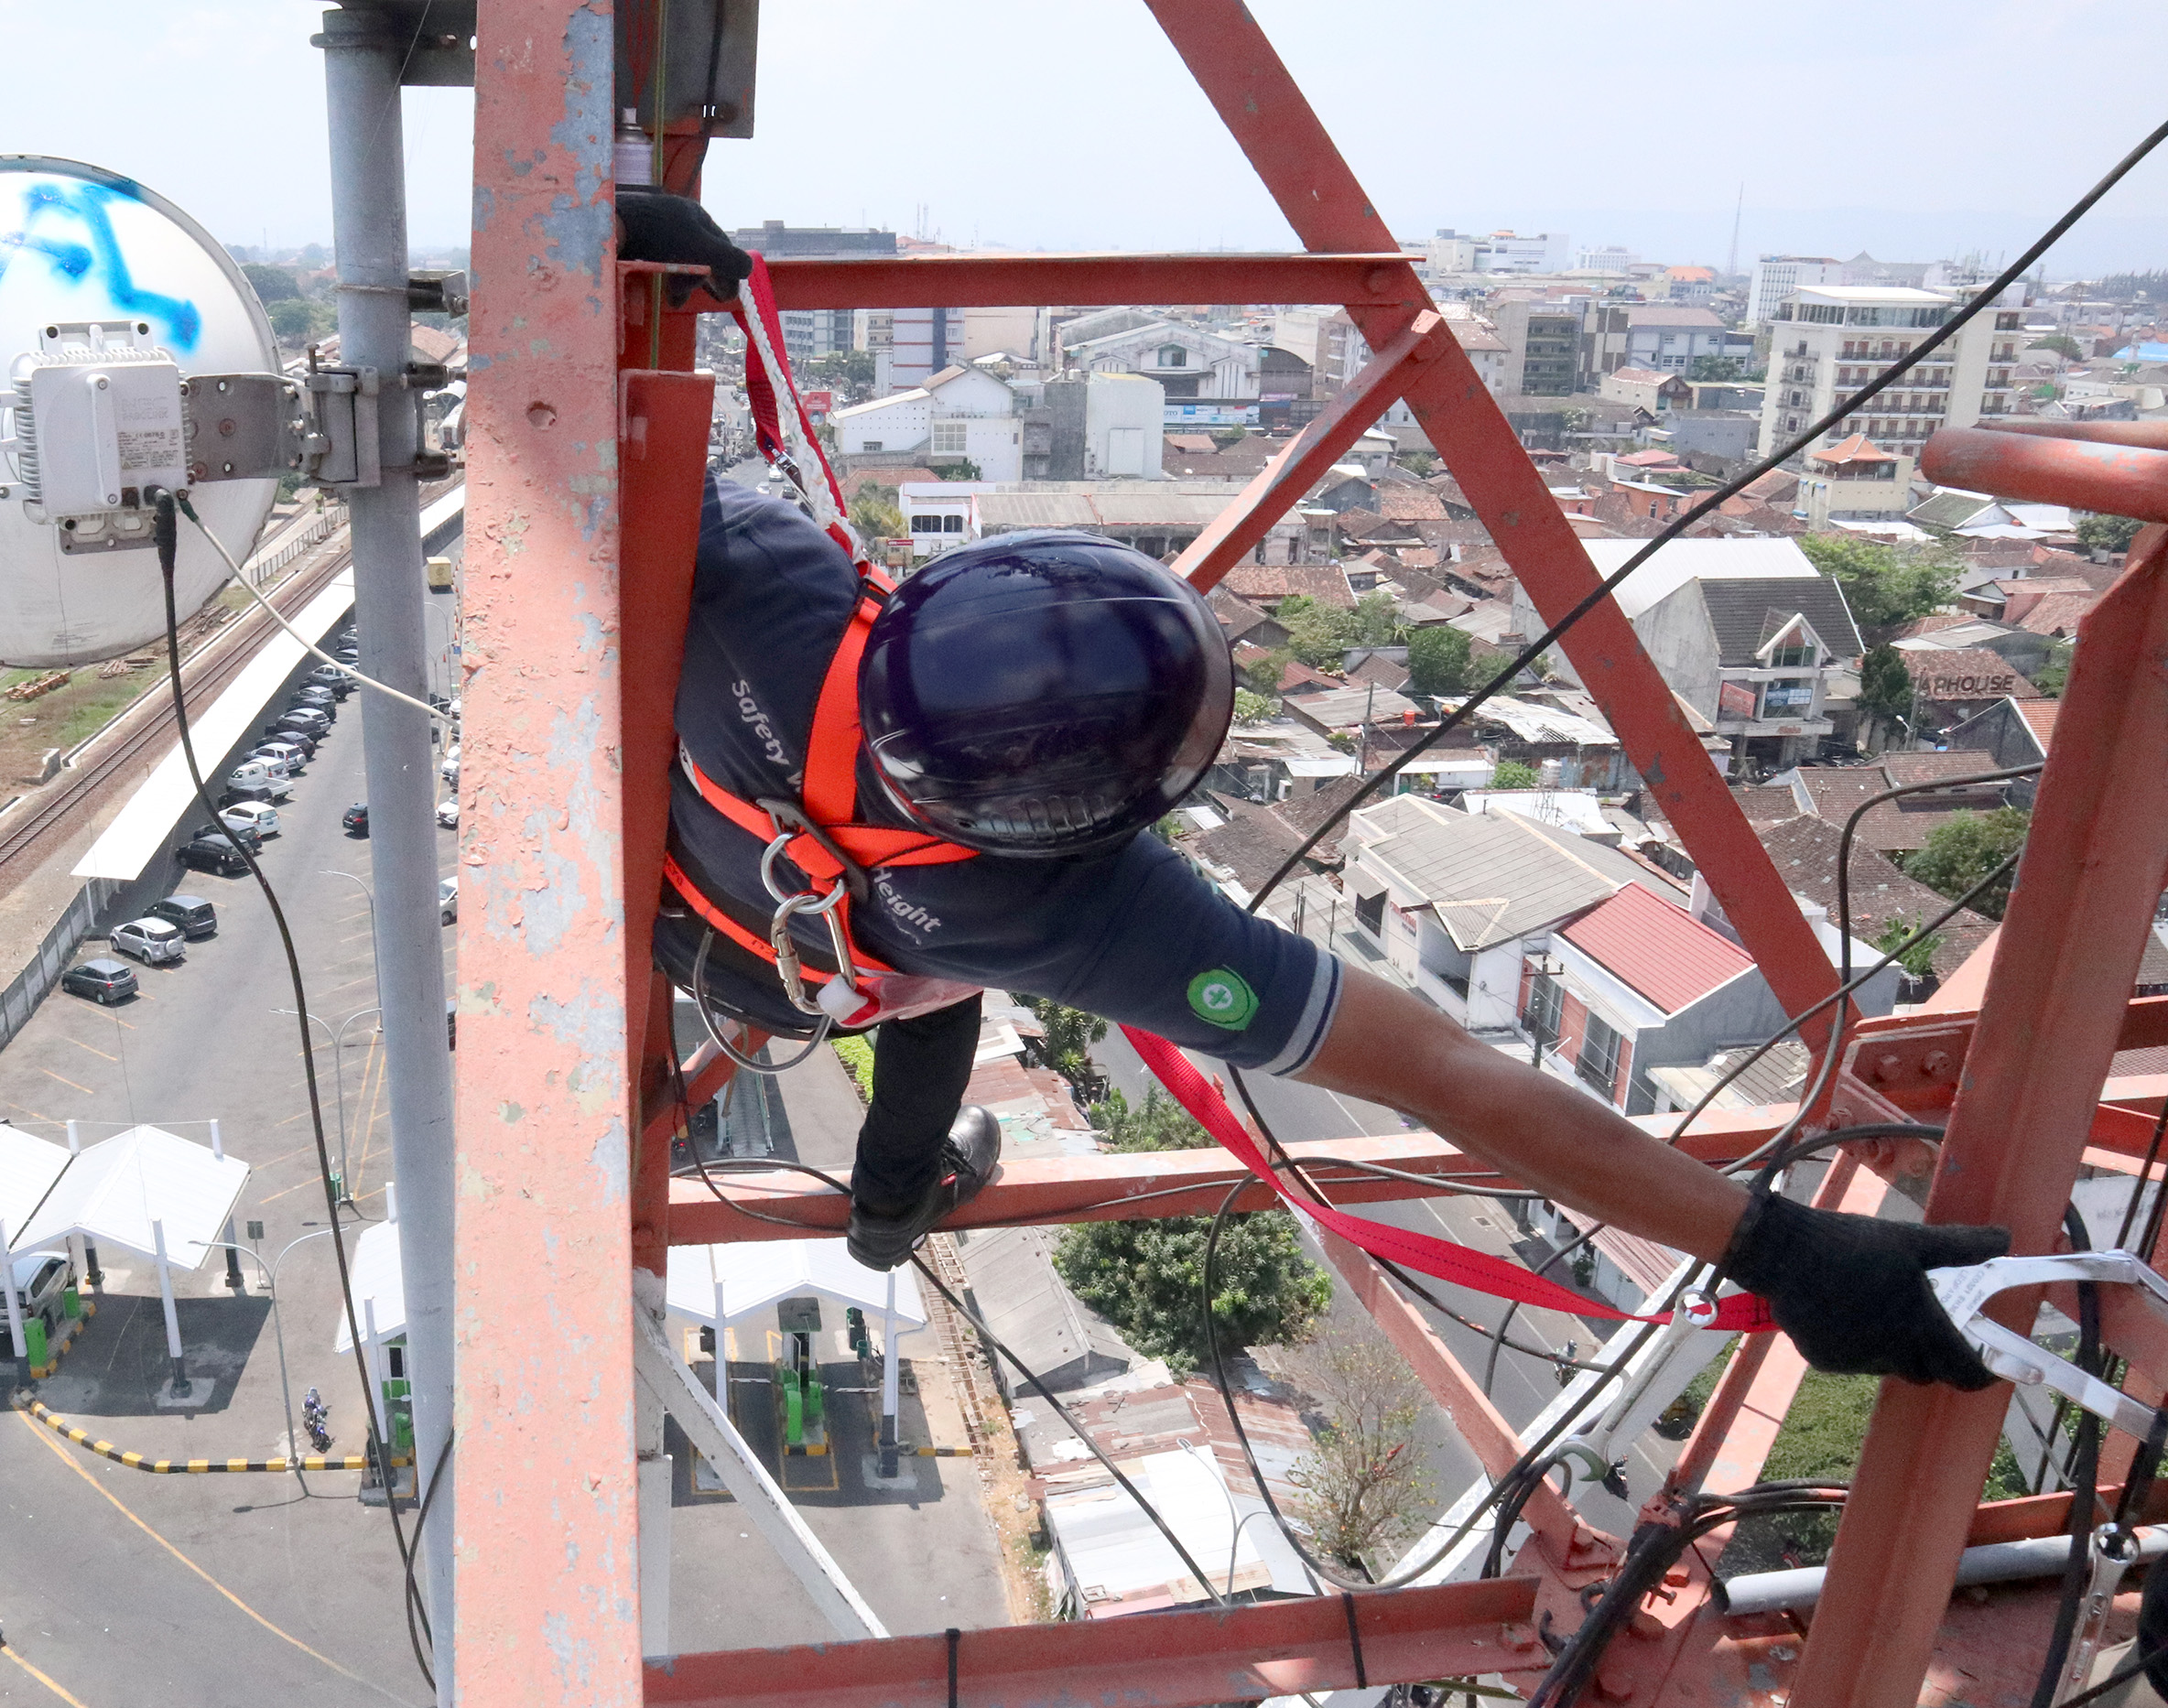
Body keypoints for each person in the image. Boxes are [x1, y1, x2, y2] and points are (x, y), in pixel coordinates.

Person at [622, 192, 2006, 1389]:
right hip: (779, 978)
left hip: (665, 885)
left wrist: (612, 258)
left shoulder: (768, 586)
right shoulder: (1080, 919)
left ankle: (887, 1191)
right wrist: (1785, 1250)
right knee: (934, 1007)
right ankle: (887, 1211)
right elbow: (1446, 1071)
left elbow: (580, 440)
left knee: (923, 985)